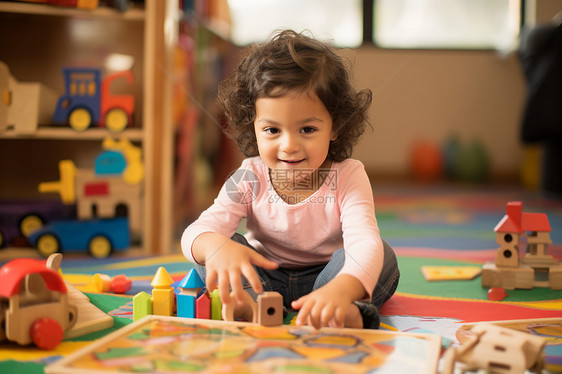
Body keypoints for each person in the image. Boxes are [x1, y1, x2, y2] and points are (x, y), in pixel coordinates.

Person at [181, 30, 400, 329]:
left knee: (381, 255)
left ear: (335, 126)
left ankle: (337, 308)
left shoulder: (348, 175)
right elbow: (197, 231)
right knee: (216, 249)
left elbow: (363, 241)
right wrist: (215, 247)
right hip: (262, 280)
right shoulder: (249, 175)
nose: (289, 146)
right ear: (253, 126)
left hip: (329, 277)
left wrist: (343, 287)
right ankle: (250, 306)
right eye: (272, 130)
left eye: (307, 130)